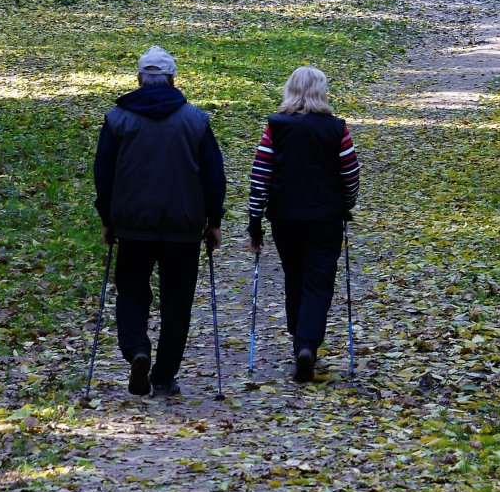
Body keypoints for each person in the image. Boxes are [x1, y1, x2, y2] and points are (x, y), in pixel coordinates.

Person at [92, 45, 225, 398]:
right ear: (172, 79)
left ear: (139, 79)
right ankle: (164, 376)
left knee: (132, 292)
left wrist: (107, 217)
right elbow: (213, 174)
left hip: (133, 226)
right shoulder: (195, 120)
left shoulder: (118, 119)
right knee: (177, 301)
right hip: (183, 228)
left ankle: (137, 350)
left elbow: (103, 173)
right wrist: (214, 220)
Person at [246, 66, 361, 383]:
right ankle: (307, 343)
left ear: (291, 90)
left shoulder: (276, 128)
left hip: (285, 217)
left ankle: (300, 338)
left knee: (294, 276)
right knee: (319, 282)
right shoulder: (336, 129)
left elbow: (260, 176)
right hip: (326, 219)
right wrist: (346, 204)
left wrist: (255, 221)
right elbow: (350, 174)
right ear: (321, 92)